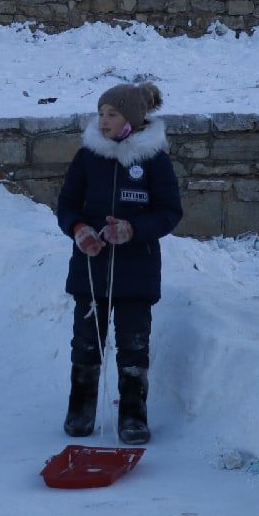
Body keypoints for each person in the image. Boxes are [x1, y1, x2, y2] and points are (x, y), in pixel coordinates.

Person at [56, 82, 182, 445]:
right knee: (85, 343)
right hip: (90, 271)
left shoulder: (154, 160)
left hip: (136, 272)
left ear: (132, 119)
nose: (104, 121)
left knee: (133, 345)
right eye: (101, 113)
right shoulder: (87, 157)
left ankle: (132, 418)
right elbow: (67, 206)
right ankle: (80, 413)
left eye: (112, 114)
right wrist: (79, 230)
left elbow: (169, 212)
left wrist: (133, 229)